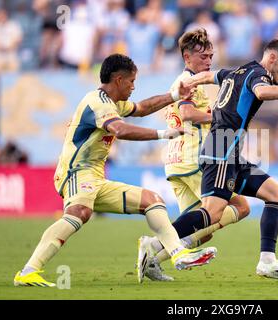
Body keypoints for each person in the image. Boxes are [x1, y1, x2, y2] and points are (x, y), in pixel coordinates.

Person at [13, 54, 217, 287]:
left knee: (152, 200)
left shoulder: (113, 102)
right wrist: (162, 134)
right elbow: (119, 130)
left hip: (95, 177)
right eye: (131, 81)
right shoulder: (97, 102)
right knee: (79, 212)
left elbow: (142, 108)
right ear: (118, 80)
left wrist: (173, 96)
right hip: (75, 173)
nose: (133, 86)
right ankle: (29, 271)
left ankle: (177, 253)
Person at [147, 39, 278, 281]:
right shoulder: (259, 76)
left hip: (230, 153)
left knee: (277, 194)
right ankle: (155, 243)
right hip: (220, 150)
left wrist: (189, 80)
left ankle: (267, 261)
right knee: (212, 214)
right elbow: (262, 92)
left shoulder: (237, 71)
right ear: (273, 59)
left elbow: (211, 76)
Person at [138, 29, 250, 282]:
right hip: (194, 159)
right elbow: (187, 114)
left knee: (203, 230)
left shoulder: (193, 80)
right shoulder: (186, 82)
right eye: (202, 57)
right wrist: (220, 117)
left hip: (176, 162)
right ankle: (153, 246)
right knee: (241, 207)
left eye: (211, 56)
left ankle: (152, 260)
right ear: (187, 57)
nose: (208, 62)